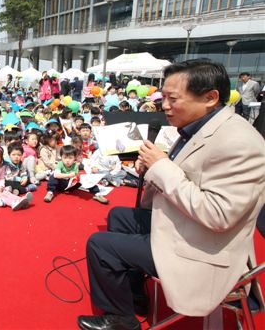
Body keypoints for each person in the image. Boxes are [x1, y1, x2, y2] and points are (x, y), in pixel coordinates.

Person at [78, 60, 265, 330]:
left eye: (172, 98)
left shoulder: (239, 142)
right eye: (163, 96)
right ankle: (134, 296)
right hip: (189, 226)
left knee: (100, 245)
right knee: (118, 216)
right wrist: (157, 165)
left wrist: (161, 167)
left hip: (205, 247)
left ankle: (122, 321)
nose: (163, 105)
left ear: (210, 97)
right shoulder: (203, 125)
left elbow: (218, 215)